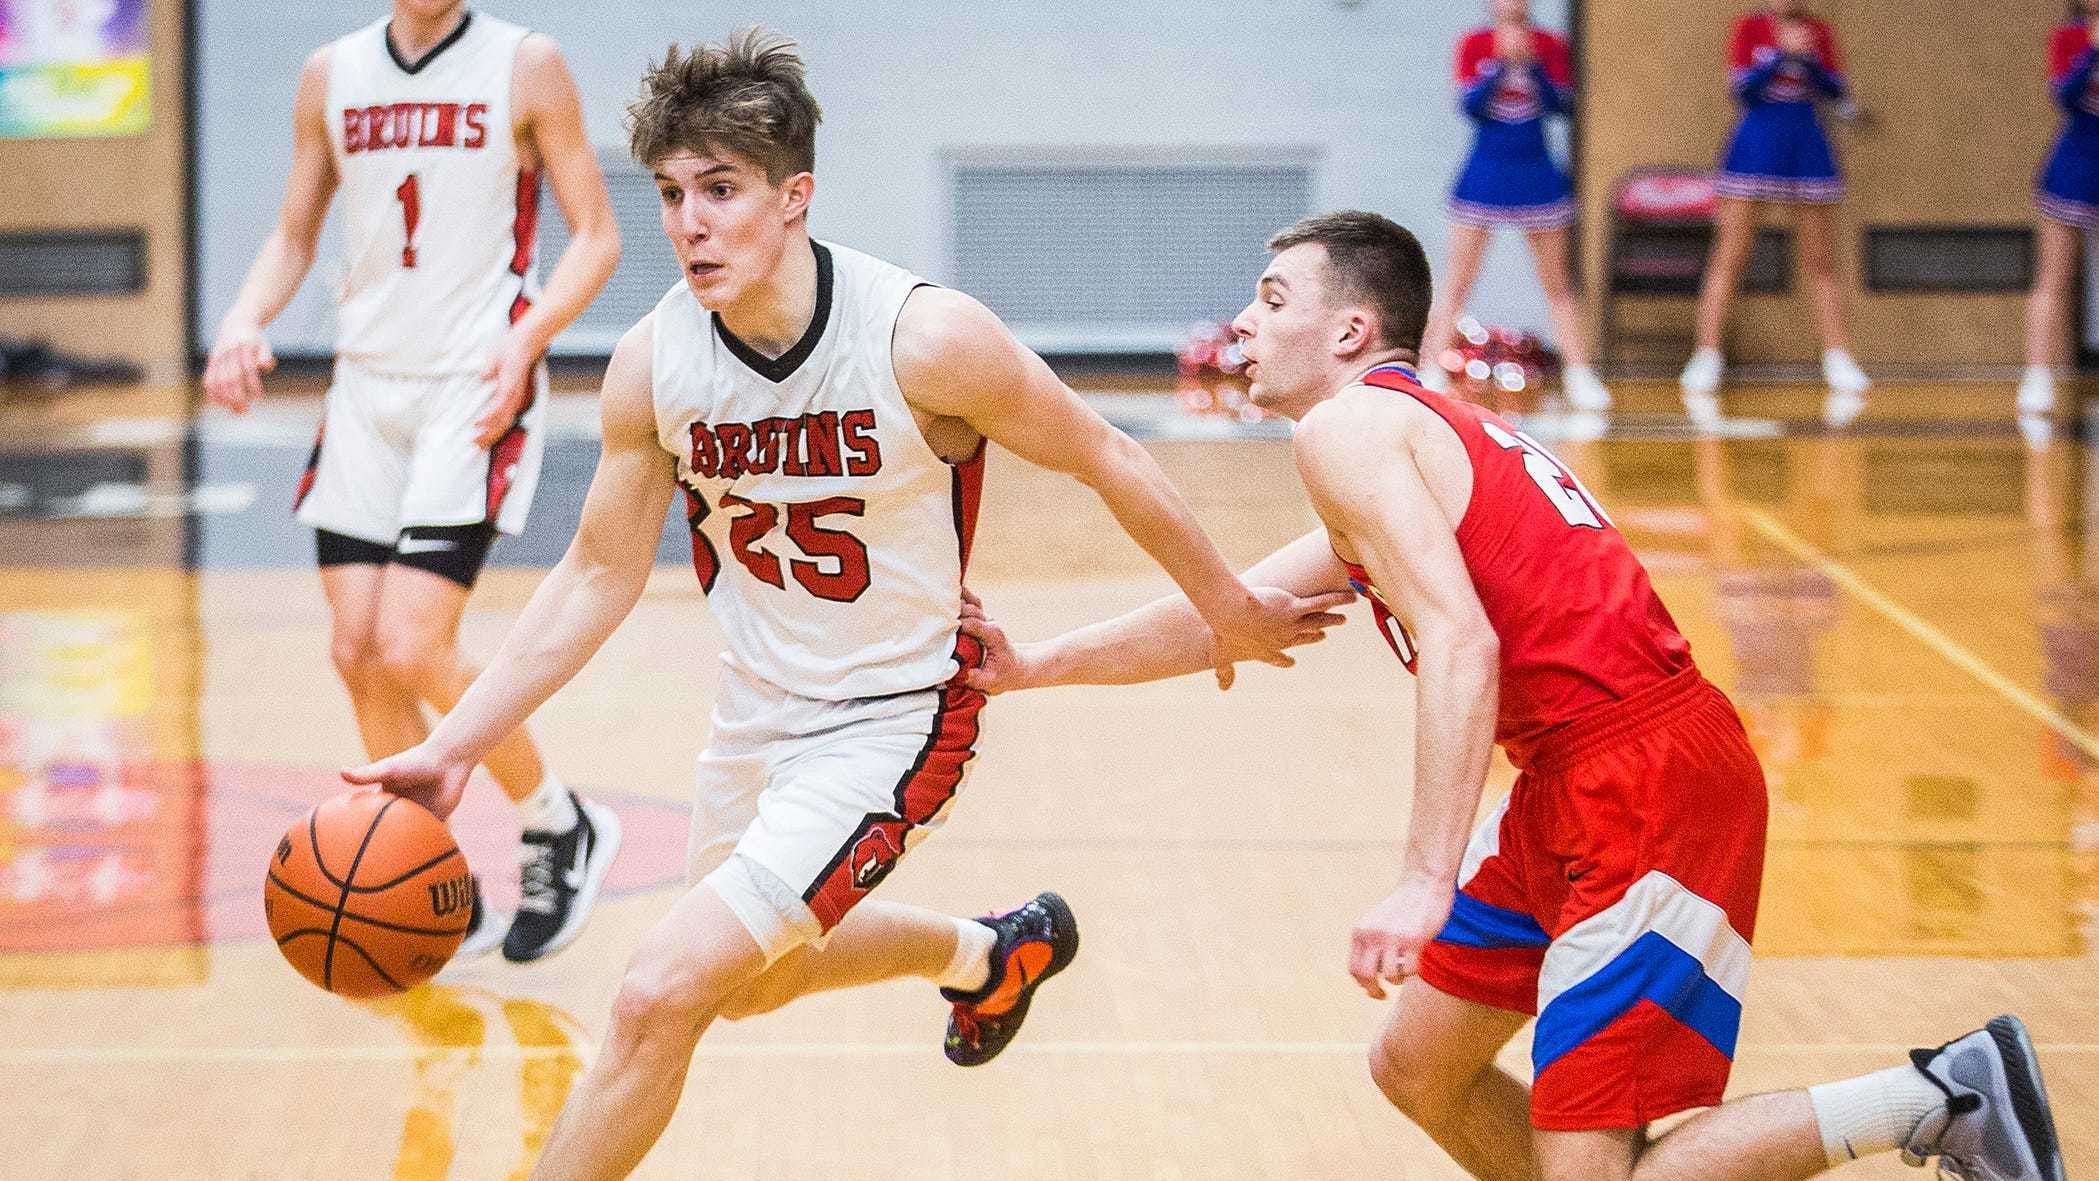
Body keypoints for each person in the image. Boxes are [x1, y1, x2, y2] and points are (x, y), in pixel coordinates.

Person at [345, 29, 1341, 1181]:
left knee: (655, 993)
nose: (688, 221)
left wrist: (1225, 604)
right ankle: (987, 954)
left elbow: (1104, 453)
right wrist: (454, 744)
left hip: (893, 718)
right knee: (750, 984)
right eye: (670, 194)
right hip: (754, 714)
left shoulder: (923, 337)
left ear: (793, 196)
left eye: (720, 190)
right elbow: (596, 574)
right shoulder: (655, 362)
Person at [960, 210, 2068, 1181]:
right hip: (1576, 781)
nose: (1241, 323)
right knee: (1418, 1065)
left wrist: (1419, 879)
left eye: (1271, 297)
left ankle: (1942, 1095)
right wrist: (1030, 665)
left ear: (1349, 331)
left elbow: (1459, 639)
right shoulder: (1401, 430)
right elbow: (1236, 608)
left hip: (1646, 782)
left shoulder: (1351, 431)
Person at [202, 0, 623, 962]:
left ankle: (558, 822)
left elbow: (596, 235)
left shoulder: (527, 63)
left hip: (471, 384)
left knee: (411, 644)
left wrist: (527, 338)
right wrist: (241, 317)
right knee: (356, 650)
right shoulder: (331, 74)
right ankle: (428, 879)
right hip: (366, 387)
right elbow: (293, 237)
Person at [1680, 1, 1871, 429]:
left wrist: (1806, 58)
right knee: (1731, 252)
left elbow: (1836, 92)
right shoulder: (1749, 29)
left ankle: (1837, 357)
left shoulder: (1820, 32)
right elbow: (1741, 91)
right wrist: (1781, 55)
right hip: (1755, 145)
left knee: (1820, 259)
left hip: (1806, 145)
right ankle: (1706, 354)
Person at [1419, 0, 1612, 414]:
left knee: (1557, 280)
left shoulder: (1551, 44)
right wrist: (1501, 66)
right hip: (1485, 168)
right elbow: (1471, 108)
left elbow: (1562, 106)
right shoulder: (1473, 43)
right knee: (1459, 278)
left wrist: (1534, 64)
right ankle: (1431, 367)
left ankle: (1579, 372)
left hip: (1536, 169)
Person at [2021, 1, 2099, 416]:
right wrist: (2092, 53)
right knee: (2055, 273)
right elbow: (2064, 97)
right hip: (2075, 162)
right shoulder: (2066, 37)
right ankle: (2037, 374)